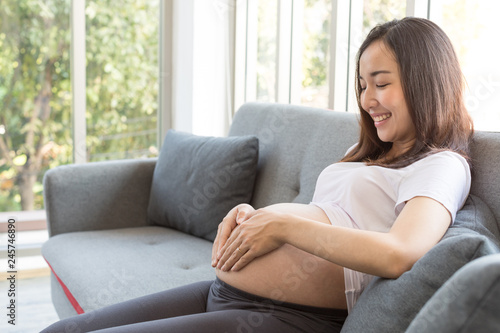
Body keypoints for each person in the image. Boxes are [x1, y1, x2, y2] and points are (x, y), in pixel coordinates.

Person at [42, 17, 473, 333]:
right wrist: (257, 216)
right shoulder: (365, 153)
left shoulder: (441, 166)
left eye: (381, 82)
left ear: (425, 80)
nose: (367, 100)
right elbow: (326, 214)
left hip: (290, 317)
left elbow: (401, 253)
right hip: (226, 291)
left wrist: (284, 226)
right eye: (361, 85)